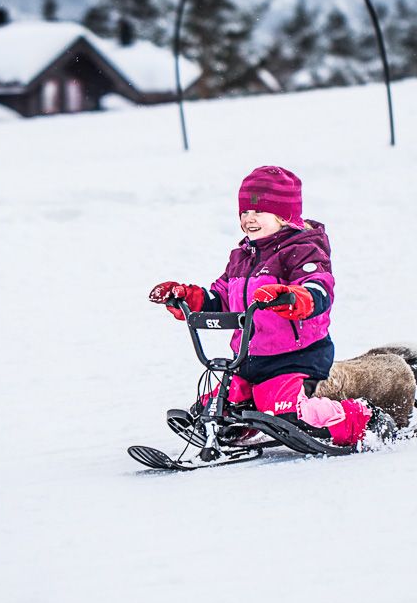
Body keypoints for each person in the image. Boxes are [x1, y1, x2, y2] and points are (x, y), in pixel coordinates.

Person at [148, 165, 373, 446]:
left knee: (287, 412)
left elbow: (318, 288)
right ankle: (232, 429)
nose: (249, 218)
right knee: (216, 405)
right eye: (244, 212)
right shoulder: (243, 256)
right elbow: (222, 298)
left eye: (258, 211)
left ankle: (357, 417)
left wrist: (293, 297)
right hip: (247, 360)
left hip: (294, 359)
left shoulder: (302, 250)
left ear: (284, 215)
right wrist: (188, 299)